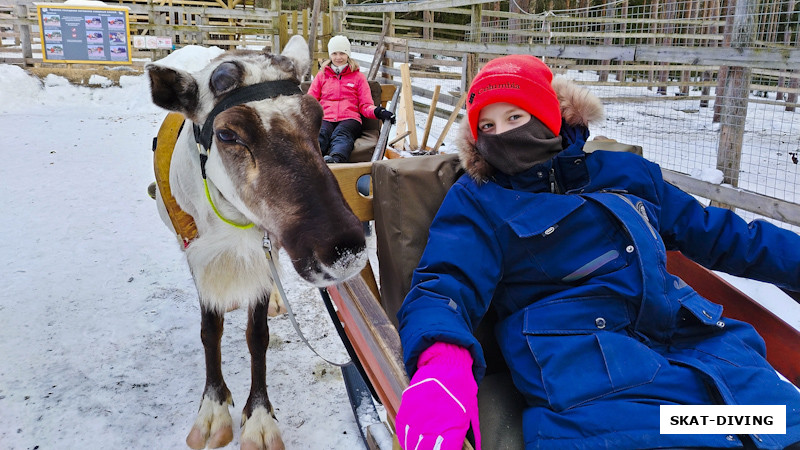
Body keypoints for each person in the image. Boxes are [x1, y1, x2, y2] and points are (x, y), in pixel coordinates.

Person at [394, 54, 800, 450]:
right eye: (488, 126)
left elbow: (721, 234)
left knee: (782, 424)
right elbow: (445, 283)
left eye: (515, 117)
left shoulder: (626, 174)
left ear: (550, 114)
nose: (503, 136)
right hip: (592, 374)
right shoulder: (480, 199)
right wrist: (442, 366)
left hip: (701, 349)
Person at [307, 35, 395, 163]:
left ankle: (336, 160)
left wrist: (379, 112)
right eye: (334, 53)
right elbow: (311, 101)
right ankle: (312, 162)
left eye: (342, 53)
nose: (338, 57)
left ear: (348, 54)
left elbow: (365, 105)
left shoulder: (358, 77)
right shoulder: (322, 76)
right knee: (321, 133)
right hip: (325, 117)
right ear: (330, 55)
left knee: (342, 135)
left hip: (349, 118)